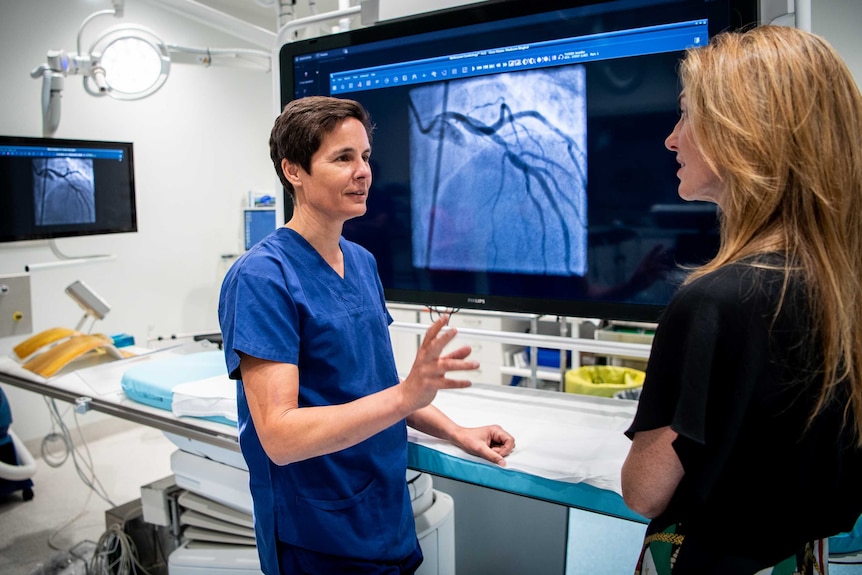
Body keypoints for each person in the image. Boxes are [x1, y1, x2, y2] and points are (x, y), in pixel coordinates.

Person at [218, 95, 515, 575]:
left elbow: (379, 386)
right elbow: (280, 436)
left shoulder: (361, 261)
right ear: (294, 171)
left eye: (365, 157)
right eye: (342, 158)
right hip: (318, 532)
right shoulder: (261, 278)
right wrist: (405, 398)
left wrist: (457, 431)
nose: (363, 172)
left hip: (385, 513)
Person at [621, 25, 862, 574]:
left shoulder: (714, 301)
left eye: (686, 115)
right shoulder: (841, 282)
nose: (671, 138)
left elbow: (644, 492)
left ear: (744, 132)